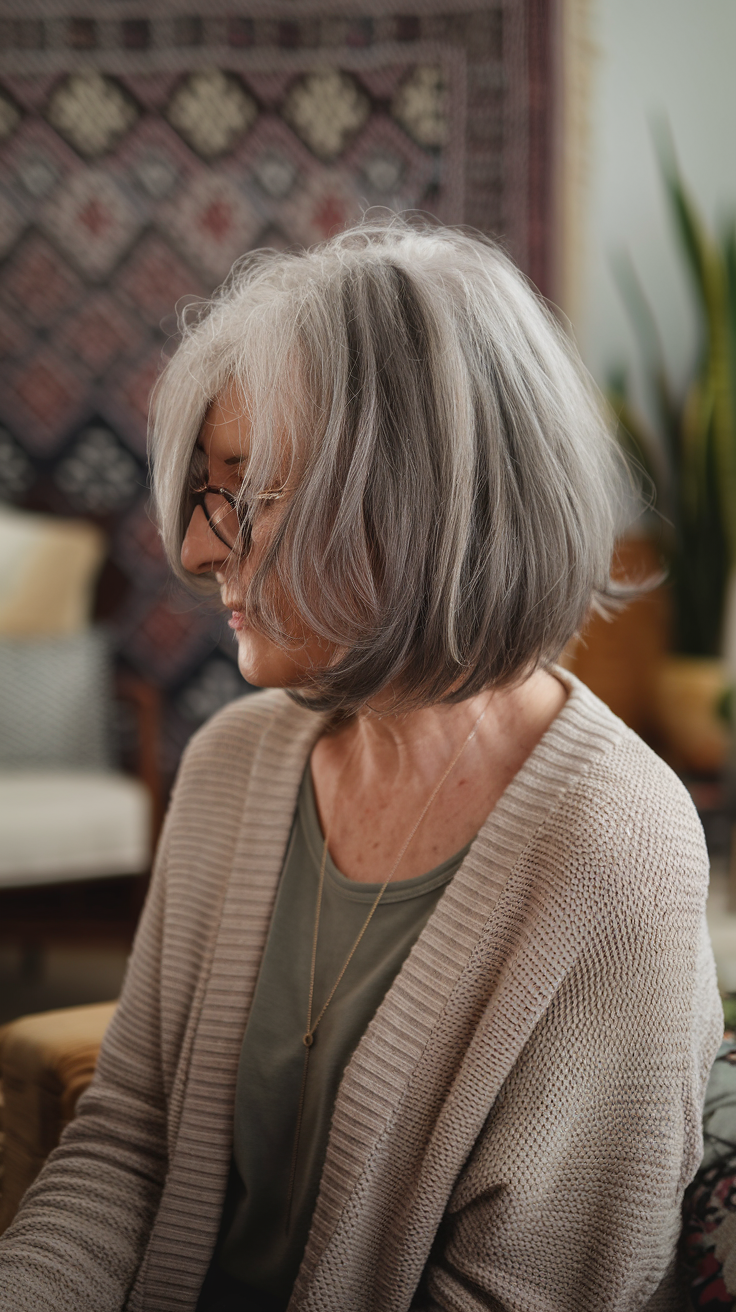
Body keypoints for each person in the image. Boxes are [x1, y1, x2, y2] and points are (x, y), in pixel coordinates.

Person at [0, 218, 723, 1311]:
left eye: (249, 491)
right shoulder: (234, 762)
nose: (198, 549)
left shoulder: (615, 851)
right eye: (206, 490)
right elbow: (127, 1142)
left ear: (420, 504)